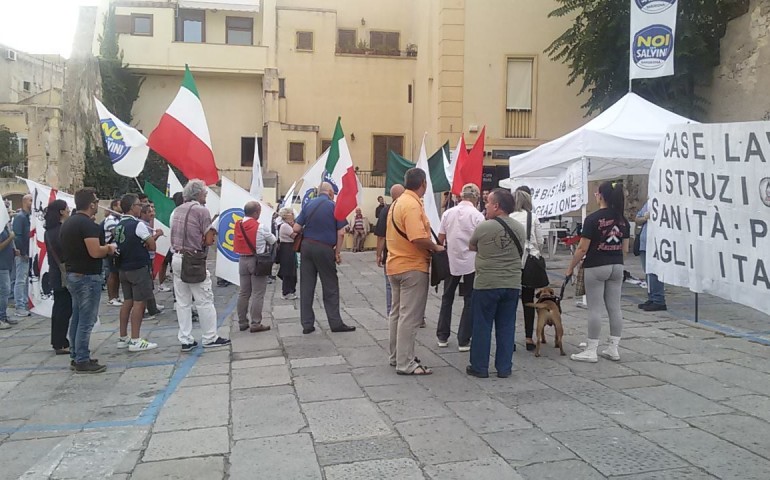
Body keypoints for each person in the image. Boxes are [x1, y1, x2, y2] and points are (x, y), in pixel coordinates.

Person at [386, 168, 444, 375]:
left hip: (395, 264)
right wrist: (435, 247)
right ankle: (406, 363)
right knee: (410, 317)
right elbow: (417, 237)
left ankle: (397, 356)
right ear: (423, 184)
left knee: (397, 315)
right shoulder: (411, 205)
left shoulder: (397, 203)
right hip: (412, 266)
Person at [566, 181, 630, 363]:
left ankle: (591, 348)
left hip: (596, 265)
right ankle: (613, 348)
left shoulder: (593, 219)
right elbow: (625, 248)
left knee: (594, 308)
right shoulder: (622, 220)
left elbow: (582, 248)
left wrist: (571, 267)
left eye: (596, 193)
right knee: (614, 307)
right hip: (617, 264)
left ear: (600, 195)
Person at [466, 188, 525, 379]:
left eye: (488, 203)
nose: (486, 206)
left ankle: (479, 367)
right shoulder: (519, 228)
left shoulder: (485, 226)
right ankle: (504, 367)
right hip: (512, 283)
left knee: (482, 325)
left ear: (497, 206)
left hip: (487, 283)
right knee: (507, 326)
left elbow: (472, 245)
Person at [170, 179, 231, 351]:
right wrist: (213, 230)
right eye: (204, 193)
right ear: (197, 194)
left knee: (183, 301)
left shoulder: (177, 210)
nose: (206, 196)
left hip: (177, 256)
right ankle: (209, 336)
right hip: (193, 259)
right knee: (204, 299)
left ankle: (185, 339)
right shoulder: (201, 211)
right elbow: (208, 239)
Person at [60, 188, 116, 373]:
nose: (98, 204)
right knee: (86, 319)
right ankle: (82, 358)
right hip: (86, 277)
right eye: (96, 200)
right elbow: (94, 251)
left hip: (73, 274)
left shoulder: (68, 223)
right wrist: (108, 248)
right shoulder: (88, 225)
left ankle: (76, 355)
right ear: (91, 204)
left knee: (76, 317)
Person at [293, 182, 356, 334]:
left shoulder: (308, 205)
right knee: (330, 286)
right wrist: (337, 252)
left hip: (307, 247)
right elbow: (341, 233)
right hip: (324, 248)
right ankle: (335, 323)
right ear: (329, 192)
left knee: (307, 286)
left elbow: (296, 228)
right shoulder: (334, 206)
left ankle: (307, 324)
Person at [436, 183, 484, 351]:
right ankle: (464, 339)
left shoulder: (448, 213)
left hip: (451, 259)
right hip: (472, 261)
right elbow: (481, 241)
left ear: (461, 196)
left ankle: (442, 336)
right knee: (469, 299)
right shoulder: (478, 216)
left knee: (447, 297)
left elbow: (440, 239)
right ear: (476, 198)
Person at [114, 195, 158, 352]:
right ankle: (135, 339)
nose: (141, 207)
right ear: (132, 207)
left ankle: (123, 336)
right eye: (139, 205)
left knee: (128, 301)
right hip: (138, 267)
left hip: (123, 268)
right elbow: (152, 245)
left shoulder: (119, 225)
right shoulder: (137, 225)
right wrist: (154, 237)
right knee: (140, 302)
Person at [234, 201, 276, 333]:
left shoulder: (238, 224)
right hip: (257, 261)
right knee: (258, 293)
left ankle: (242, 321)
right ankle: (256, 323)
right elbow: (273, 240)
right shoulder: (260, 227)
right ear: (256, 212)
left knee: (244, 292)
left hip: (242, 259)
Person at [511, 189, 544, 351]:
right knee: (528, 301)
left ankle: (509, 337)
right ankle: (529, 337)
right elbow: (541, 240)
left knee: (509, 303)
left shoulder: (509, 217)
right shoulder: (533, 217)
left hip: (512, 263)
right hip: (529, 264)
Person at [43, 200, 71, 353]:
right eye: (66, 209)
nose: (68, 211)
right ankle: (60, 341)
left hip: (56, 272)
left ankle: (58, 340)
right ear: (61, 211)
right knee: (63, 309)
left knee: (60, 308)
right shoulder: (59, 230)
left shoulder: (50, 230)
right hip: (62, 273)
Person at [375, 184, 404, 316]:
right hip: (405, 255)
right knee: (407, 288)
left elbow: (381, 236)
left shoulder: (385, 211)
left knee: (390, 286)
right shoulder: (407, 208)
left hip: (390, 254)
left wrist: (378, 254)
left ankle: (391, 312)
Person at [635, 200, 666, 311]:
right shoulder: (649, 202)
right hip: (645, 243)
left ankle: (658, 299)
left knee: (654, 272)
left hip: (656, 243)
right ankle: (652, 297)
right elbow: (637, 219)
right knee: (648, 272)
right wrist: (645, 218)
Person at [139, 203, 165, 317]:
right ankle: (147, 308)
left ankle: (152, 306)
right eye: (149, 212)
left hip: (150, 257)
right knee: (146, 284)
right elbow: (148, 243)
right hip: (146, 258)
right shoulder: (141, 226)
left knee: (149, 282)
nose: (152, 214)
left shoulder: (146, 224)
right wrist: (157, 235)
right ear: (143, 213)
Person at [12, 194, 32, 318]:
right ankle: (19, 305)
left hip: (28, 252)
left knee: (24, 280)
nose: (32, 202)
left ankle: (24, 302)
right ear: (25, 202)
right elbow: (18, 236)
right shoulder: (20, 217)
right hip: (22, 253)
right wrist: (22, 252)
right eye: (31, 200)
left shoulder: (28, 217)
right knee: (20, 279)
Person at [103, 199, 123, 306]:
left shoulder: (119, 218)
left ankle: (117, 296)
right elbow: (117, 234)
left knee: (117, 274)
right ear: (114, 207)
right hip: (112, 249)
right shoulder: (110, 219)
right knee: (113, 273)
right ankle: (111, 297)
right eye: (120, 205)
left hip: (118, 250)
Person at [277, 207, 298, 300]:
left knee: (292, 269)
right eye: (291, 213)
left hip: (290, 248)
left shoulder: (287, 225)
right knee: (287, 270)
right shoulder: (285, 226)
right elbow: (295, 235)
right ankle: (286, 291)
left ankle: (291, 290)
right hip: (286, 248)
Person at [0, 222, 15, 330]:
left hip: (7, 262)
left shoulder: (4, 226)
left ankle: (4, 315)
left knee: (5, 291)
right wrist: (10, 238)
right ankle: (1, 317)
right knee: (4, 291)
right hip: (1, 265)